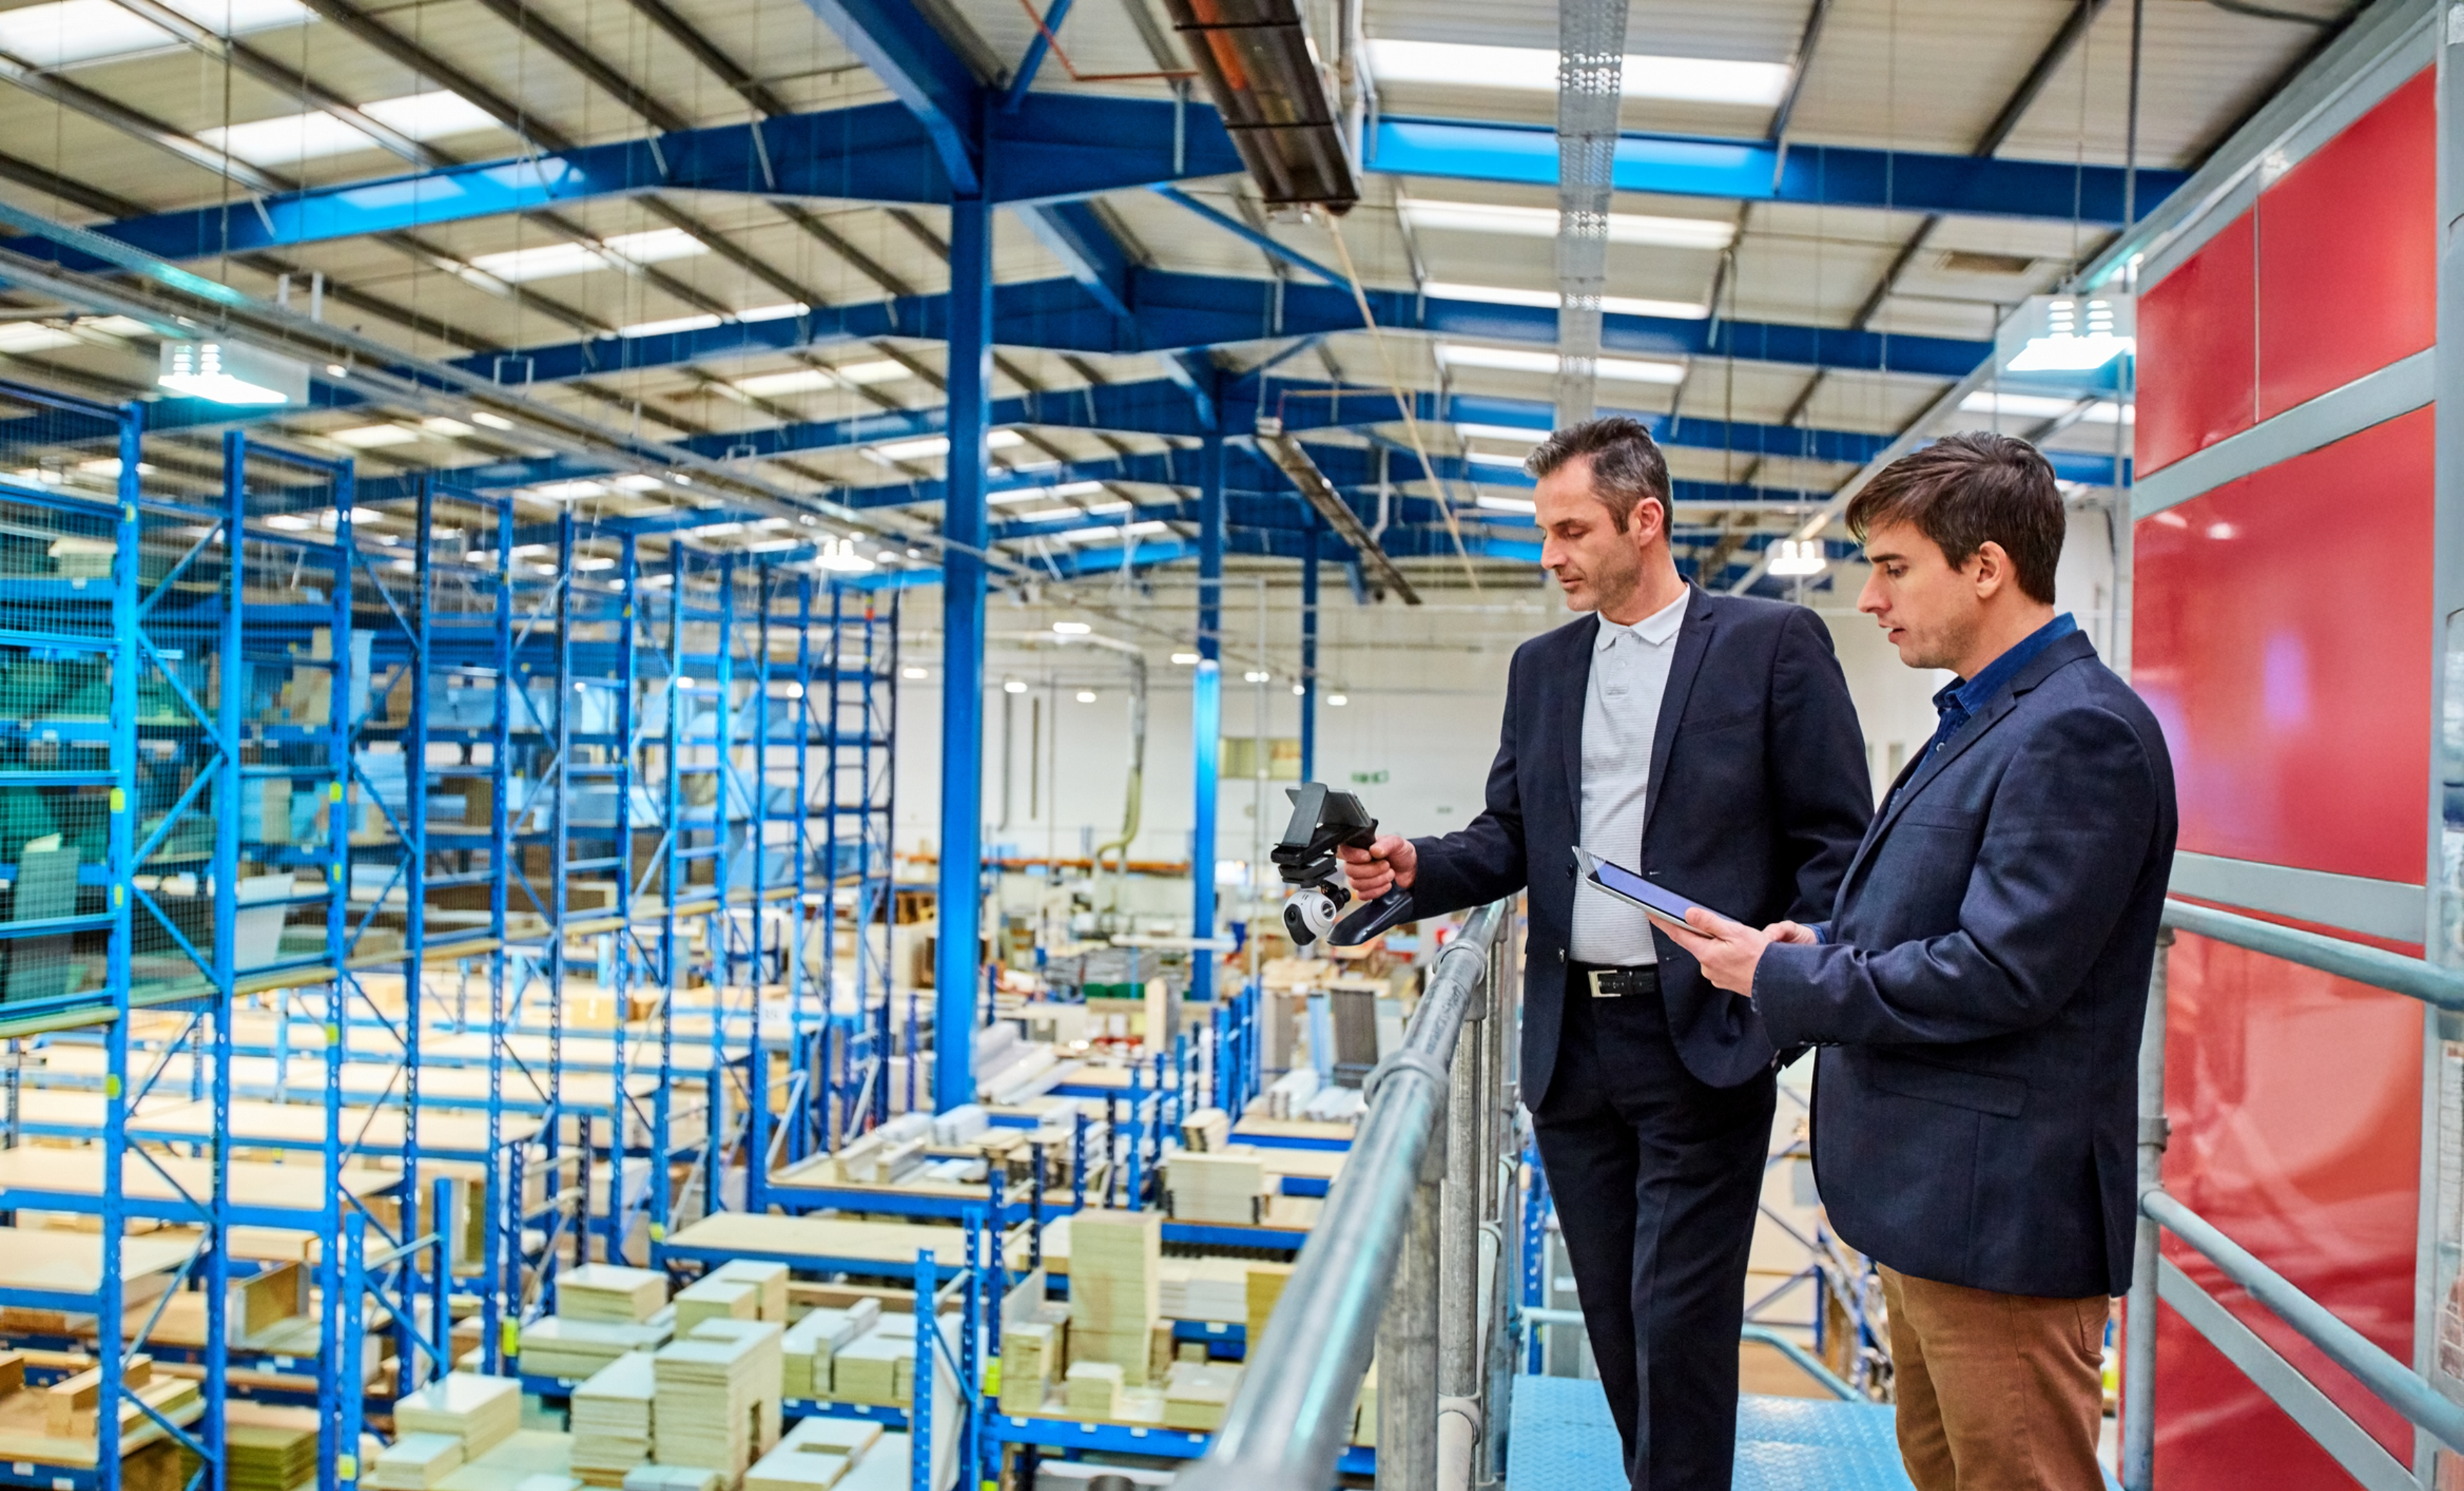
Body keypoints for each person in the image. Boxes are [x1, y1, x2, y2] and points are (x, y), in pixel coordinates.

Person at [1336, 416, 1873, 1491]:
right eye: (1543, 532)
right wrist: (1413, 866)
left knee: (1679, 1319)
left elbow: (1838, 841)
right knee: (1616, 1320)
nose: (1551, 555)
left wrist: (1793, 962)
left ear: (1645, 519)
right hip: (1573, 1044)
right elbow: (1509, 837)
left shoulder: (1769, 645)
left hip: (1703, 1037)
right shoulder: (1542, 670)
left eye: (1571, 529)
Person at [1659, 431, 2178, 1491]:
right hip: (1933, 1207)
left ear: (1985, 567)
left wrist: (1783, 982)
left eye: (1893, 567)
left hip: (1999, 1218)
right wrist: (1818, 946)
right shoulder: (1983, 719)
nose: (1870, 597)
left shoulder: (2080, 735)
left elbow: (2003, 972)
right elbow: (1946, 915)